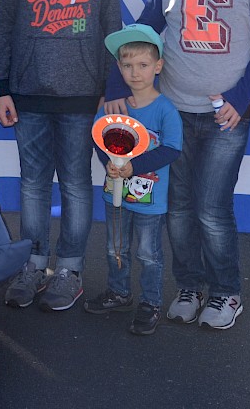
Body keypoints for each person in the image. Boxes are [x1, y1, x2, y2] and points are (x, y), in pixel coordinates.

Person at [105, 0, 250, 331]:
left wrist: (242, 98)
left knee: (212, 208)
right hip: (175, 113)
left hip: (227, 115)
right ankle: (189, 285)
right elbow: (141, 37)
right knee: (179, 207)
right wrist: (113, 86)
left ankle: (226, 292)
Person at [0, 0, 123, 312]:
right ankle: (32, 264)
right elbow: (2, 22)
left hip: (83, 94)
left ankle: (68, 269)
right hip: (26, 91)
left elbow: (112, 23)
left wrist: (113, 87)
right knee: (31, 185)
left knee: (76, 185)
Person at [83, 24, 182, 336]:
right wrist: (110, 164)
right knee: (116, 247)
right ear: (119, 68)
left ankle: (151, 302)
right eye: (127, 65)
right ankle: (119, 292)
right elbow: (100, 139)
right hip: (115, 194)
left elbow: (171, 149)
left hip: (151, 201)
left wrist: (134, 167)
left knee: (148, 254)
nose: (135, 73)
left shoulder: (165, 109)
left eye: (142, 65)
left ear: (158, 66)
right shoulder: (113, 108)